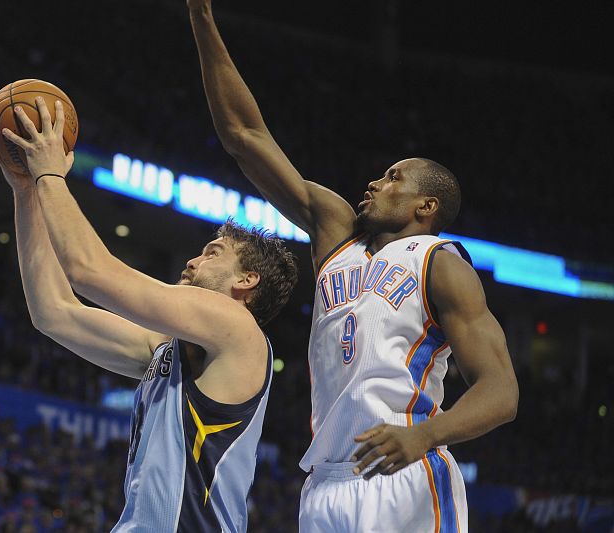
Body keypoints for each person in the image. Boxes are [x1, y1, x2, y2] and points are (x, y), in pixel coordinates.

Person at [186, 1, 520, 531]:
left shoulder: (441, 264)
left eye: (392, 177)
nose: (375, 182)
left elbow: (501, 391)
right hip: (325, 484)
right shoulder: (335, 231)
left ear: (425, 207)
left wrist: (425, 437)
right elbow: (243, 137)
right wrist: (201, 18)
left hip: (407, 469)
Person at [0, 97, 298, 532]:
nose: (192, 261)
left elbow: (88, 271)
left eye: (213, 253)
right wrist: (26, 193)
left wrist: (50, 175)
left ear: (246, 281)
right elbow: (53, 313)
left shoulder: (237, 328)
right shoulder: (164, 349)